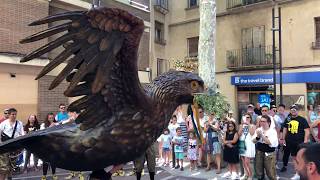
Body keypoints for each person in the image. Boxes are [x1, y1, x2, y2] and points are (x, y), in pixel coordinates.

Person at [280, 104, 310, 180]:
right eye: (292, 109)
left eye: (295, 109)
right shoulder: (288, 119)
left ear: (298, 111)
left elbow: (307, 130)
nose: (293, 111)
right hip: (290, 141)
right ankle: (297, 173)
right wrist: (283, 138)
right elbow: (285, 129)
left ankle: (304, 173)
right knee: (294, 157)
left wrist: (306, 141)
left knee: (301, 158)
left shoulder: (302, 119)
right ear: (290, 111)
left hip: (300, 142)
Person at [0, 108, 25, 180]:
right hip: (4, 147)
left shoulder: (19, 123)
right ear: (9, 114)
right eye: (12, 114)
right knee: (3, 168)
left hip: (14, 147)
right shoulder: (3, 123)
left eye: (15, 114)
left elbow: (22, 134)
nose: (14, 116)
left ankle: (9, 178)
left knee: (12, 166)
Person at [252, 115, 278, 180]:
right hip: (259, 152)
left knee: (270, 172)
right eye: (261, 121)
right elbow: (253, 141)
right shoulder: (258, 130)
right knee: (259, 171)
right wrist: (257, 137)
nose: (262, 123)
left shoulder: (272, 131)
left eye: (264, 121)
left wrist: (262, 135)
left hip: (269, 153)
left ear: (269, 123)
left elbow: (270, 142)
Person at [238, 113, 256, 180]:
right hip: (242, 143)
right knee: (243, 161)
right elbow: (239, 135)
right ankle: (246, 174)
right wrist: (242, 127)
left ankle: (250, 175)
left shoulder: (253, 125)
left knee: (247, 162)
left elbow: (252, 133)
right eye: (245, 117)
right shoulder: (241, 126)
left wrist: (248, 125)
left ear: (250, 118)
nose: (247, 118)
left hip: (249, 144)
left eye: (248, 117)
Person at [40, 113, 58, 180]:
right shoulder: (43, 125)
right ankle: (44, 175)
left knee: (53, 161)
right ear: (47, 118)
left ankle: (54, 174)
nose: (51, 119)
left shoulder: (56, 124)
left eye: (52, 118)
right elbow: (41, 133)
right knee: (45, 161)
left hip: (54, 145)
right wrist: (50, 127)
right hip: (46, 145)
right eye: (50, 118)